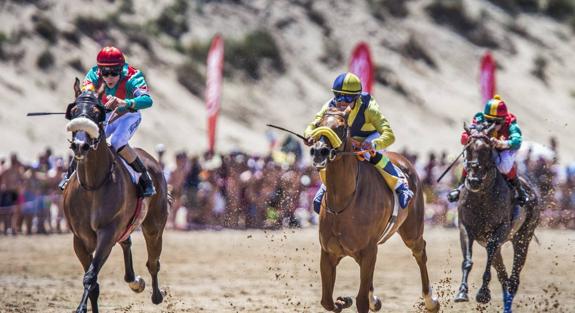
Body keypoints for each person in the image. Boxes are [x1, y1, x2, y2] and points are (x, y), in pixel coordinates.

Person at [304, 72, 413, 213]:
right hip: (347, 137)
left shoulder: (369, 107)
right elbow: (312, 125)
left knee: (368, 155)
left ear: (356, 97)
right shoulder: (330, 106)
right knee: (331, 155)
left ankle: (401, 185)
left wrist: (373, 144)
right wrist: (309, 136)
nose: (342, 102)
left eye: (347, 97)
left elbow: (389, 135)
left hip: (370, 137)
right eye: (338, 96)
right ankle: (325, 187)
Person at [59, 46, 155, 197]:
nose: (109, 77)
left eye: (114, 72)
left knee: (117, 141)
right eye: (105, 73)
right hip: (106, 114)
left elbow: (147, 100)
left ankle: (145, 177)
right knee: (87, 138)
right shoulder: (93, 75)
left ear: (121, 69)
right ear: (100, 70)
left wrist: (125, 102)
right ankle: (70, 173)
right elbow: (86, 95)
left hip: (128, 114)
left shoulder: (133, 77)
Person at [447, 95, 529, 205]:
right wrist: (472, 137)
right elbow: (464, 138)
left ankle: (520, 191)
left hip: (505, 149)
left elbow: (517, 142)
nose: (492, 125)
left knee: (503, 166)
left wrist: (502, 144)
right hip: (486, 148)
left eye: (497, 122)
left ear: (504, 120)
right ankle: (459, 188)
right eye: (489, 121)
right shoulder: (479, 119)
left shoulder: (511, 125)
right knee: (470, 161)